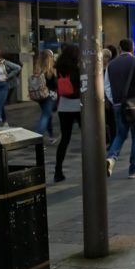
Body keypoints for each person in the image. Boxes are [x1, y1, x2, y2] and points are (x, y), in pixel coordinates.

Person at [105, 38, 135, 179]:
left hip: (119, 105)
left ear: (120, 49)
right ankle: (133, 169)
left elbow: (106, 86)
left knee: (120, 134)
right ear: (133, 47)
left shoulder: (111, 65)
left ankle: (111, 157)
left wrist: (115, 101)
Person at [54, 45, 81, 183]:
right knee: (88, 136)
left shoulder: (59, 67)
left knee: (65, 139)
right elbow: (80, 85)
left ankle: (58, 170)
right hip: (78, 105)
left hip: (63, 106)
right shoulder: (76, 68)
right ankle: (92, 165)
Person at [0, 48, 21, 127]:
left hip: (3, 86)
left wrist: (7, 77)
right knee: (0, 105)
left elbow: (18, 68)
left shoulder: (4, 62)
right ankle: (5, 121)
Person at [31, 49, 57, 143]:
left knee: (48, 114)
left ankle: (51, 136)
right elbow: (55, 84)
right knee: (46, 115)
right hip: (49, 95)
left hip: (39, 96)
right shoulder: (51, 70)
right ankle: (38, 137)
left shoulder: (37, 69)